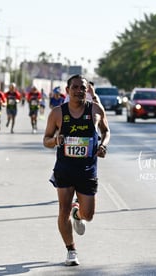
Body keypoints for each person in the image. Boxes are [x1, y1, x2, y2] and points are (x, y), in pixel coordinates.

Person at [43, 74, 110, 266]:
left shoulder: (96, 110)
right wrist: (55, 141)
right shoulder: (57, 113)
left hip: (88, 169)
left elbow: (106, 131)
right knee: (62, 210)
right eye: (75, 87)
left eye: (83, 87)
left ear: (88, 90)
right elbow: (46, 140)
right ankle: (71, 250)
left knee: (88, 215)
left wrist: (104, 145)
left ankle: (77, 214)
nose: (79, 91)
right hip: (64, 168)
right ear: (67, 90)